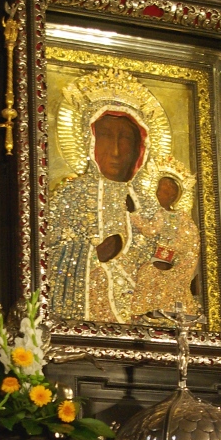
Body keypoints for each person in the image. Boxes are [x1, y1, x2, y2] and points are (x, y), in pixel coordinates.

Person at [48, 109, 147, 322]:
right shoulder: (73, 193)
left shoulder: (147, 201)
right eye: (105, 136)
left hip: (141, 322)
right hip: (84, 318)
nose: (116, 151)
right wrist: (92, 255)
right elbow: (45, 255)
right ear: (90, 141)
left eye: (125, 139)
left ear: (139, 148)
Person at [129, 173, 200, 318]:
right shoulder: (164, 213)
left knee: (154, 275)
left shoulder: (179, 216)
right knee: (148, 273)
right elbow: (151, 230)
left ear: (173, 196)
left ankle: (164, 308)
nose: (159, 194)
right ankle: (151, 308)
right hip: (163, 256)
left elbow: (150, 230)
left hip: (176, 259)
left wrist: (133, 216)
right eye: (158, 190)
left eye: (163, 191)